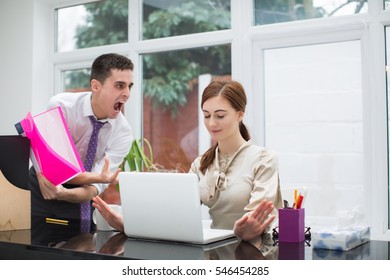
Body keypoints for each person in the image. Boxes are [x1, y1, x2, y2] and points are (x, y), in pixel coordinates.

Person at [93, 79, 283, 242]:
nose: (211, 123)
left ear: (240, 114)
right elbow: (176, 216)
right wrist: (130, 225)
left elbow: (258, 218)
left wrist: (246, 229)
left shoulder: (263, 159)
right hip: (215, 252)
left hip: (253, 254)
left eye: (220, 115)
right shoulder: (201, 164)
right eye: (207, 115)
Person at [29, 53, 134, 223]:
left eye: (130, 86)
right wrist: (99, 177)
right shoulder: (61, 107)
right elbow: (57, 169)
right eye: (120, 85)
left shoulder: (123, 132)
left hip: (80, 195)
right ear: (95, 86)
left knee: (79, 244)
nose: (127, 93)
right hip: (43, 185)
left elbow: (94, 189)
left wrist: (64, 193)